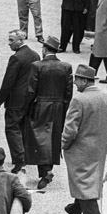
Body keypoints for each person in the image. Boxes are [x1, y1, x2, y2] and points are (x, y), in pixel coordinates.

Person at [62, 65, 107, 214]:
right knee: (88, 180)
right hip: (99, 149)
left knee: (84, 184)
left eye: (77, 79)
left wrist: (64, 144)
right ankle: (74, 211)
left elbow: (70, 129)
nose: (74, 83)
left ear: (85, 81)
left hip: (80, 150)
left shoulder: (79, 100)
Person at [23, 35, 73, 189]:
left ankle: (45, 171)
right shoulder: (66, 66)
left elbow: (31, 90)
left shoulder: (37, 66)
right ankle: (47, 168)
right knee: (54, 137)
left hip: (41, 105)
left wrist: (26, 108)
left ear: (44, 49)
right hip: (58, 106)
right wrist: (64, 106)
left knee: (40, 137)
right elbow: (68, 92)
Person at [0, 28, 40, 173]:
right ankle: (25, 156)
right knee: (24, 128)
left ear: (20, 41)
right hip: (30, 99)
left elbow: (9, 81)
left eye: (11, 40)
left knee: (12, 128)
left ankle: (19, 159)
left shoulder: (16, 58)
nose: (9, 44)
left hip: (16, 100)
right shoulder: (35, 55)